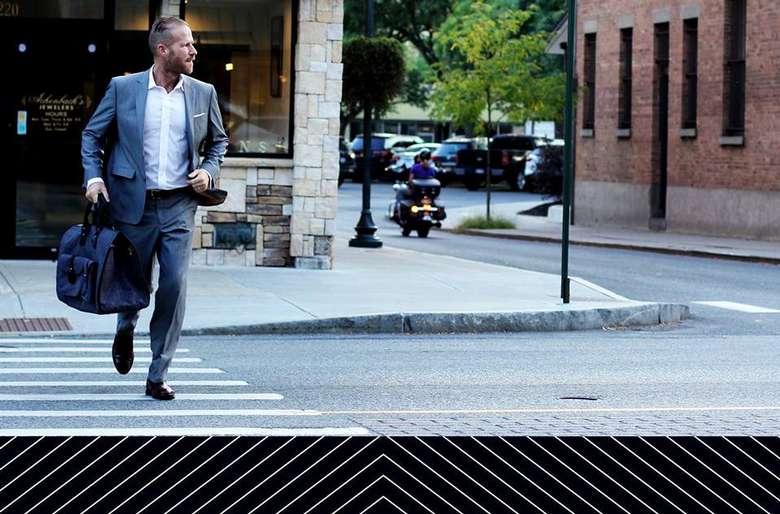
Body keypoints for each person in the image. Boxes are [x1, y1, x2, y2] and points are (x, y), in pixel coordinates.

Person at [81, 16, 229, 400]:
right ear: (163, 50)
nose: (194, 51)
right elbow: (92, 135)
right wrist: (94, 178)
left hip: (179, 204)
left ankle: (158, 372)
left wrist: (208, 172)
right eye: (186, 45)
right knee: (133, 285)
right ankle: (125, 326)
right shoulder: (123, 88)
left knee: (174, 285)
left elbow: (218, 142)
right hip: (133, 205)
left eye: (193, 44)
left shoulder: (202, 92)